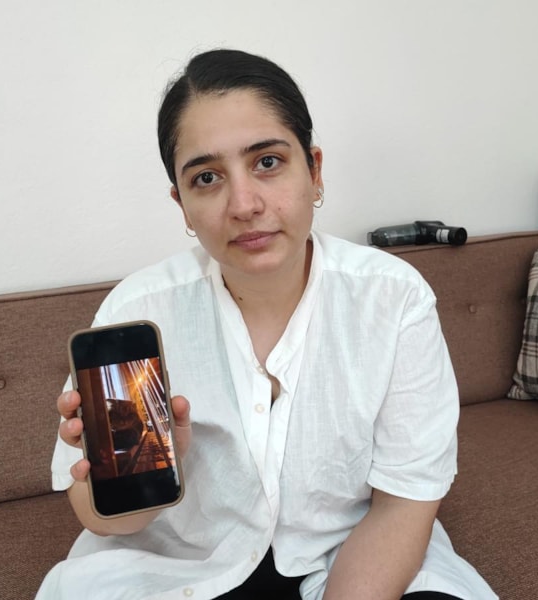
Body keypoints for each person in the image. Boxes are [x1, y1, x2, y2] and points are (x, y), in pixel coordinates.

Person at [37, 48, 497, 600]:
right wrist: (154, 475)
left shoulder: (394, 299)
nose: (244, 204)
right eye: (207, 177)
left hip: (350, 549)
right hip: (182, 568)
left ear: (315, 171)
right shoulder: (137, 311)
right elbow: (102, 518)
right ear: (182, 205)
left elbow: (403, 503)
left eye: (268, 162)